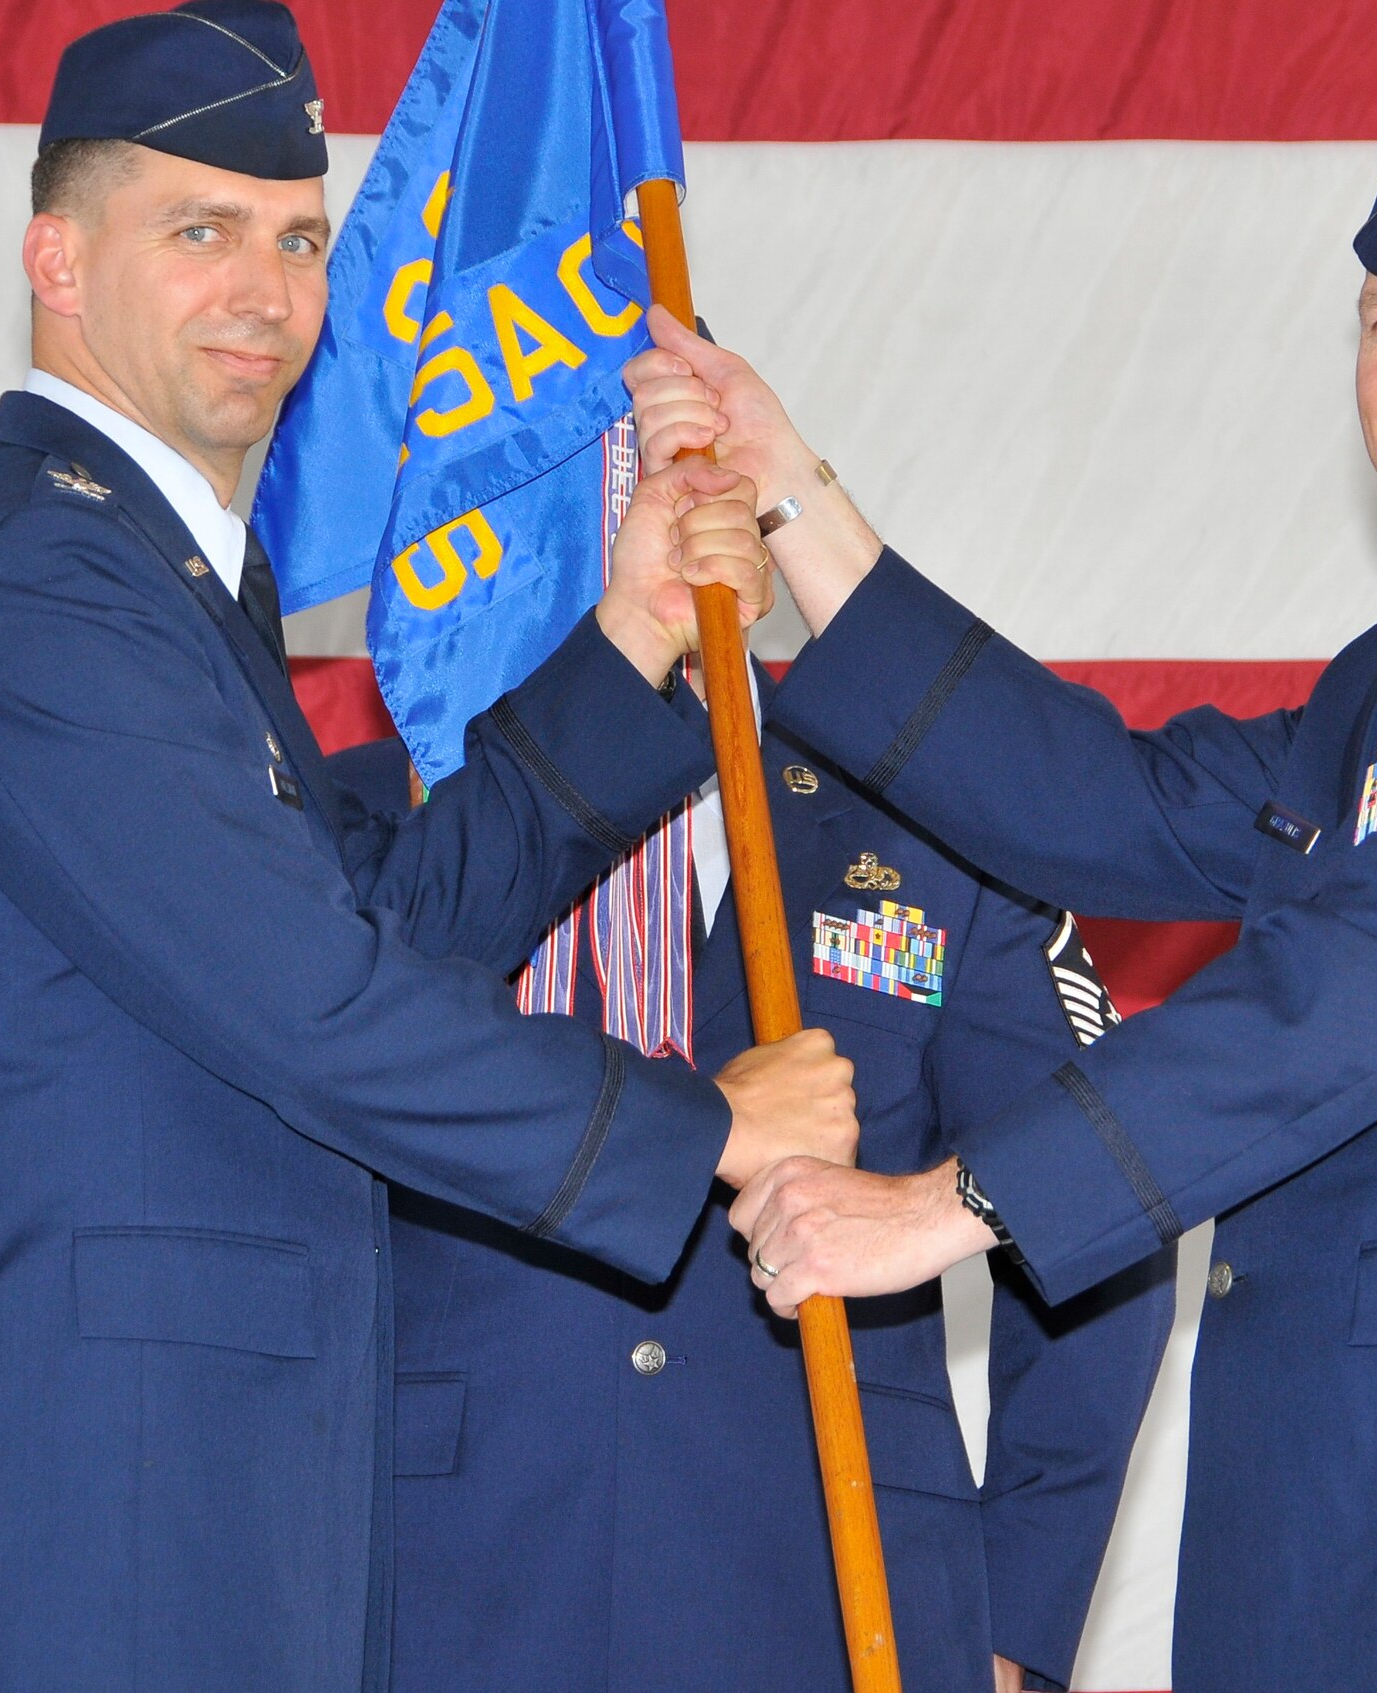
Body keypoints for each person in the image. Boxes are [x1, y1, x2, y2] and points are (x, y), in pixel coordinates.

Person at [626, 86, 1377, 1692]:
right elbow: (1102, 804)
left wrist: (945, 1203)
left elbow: (1351, 993)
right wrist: (793, 496)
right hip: (1324, 1534)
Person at [0, 0, 855, 1693]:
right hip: (108, 1524)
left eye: (302, 237)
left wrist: (625, 645)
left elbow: (373, 925)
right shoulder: (43, 584)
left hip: (213, 1502)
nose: (266, 290)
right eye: (199, 229)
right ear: (55, 259)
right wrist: (702, 1126)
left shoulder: (156, 581)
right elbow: (319, 1006)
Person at [332, 643, 1172, 1693]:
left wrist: (1010, 1622)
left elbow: (1093, 1195)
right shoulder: (362, 823)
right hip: (453, 1588)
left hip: (841, 1590)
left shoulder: (929, 815)